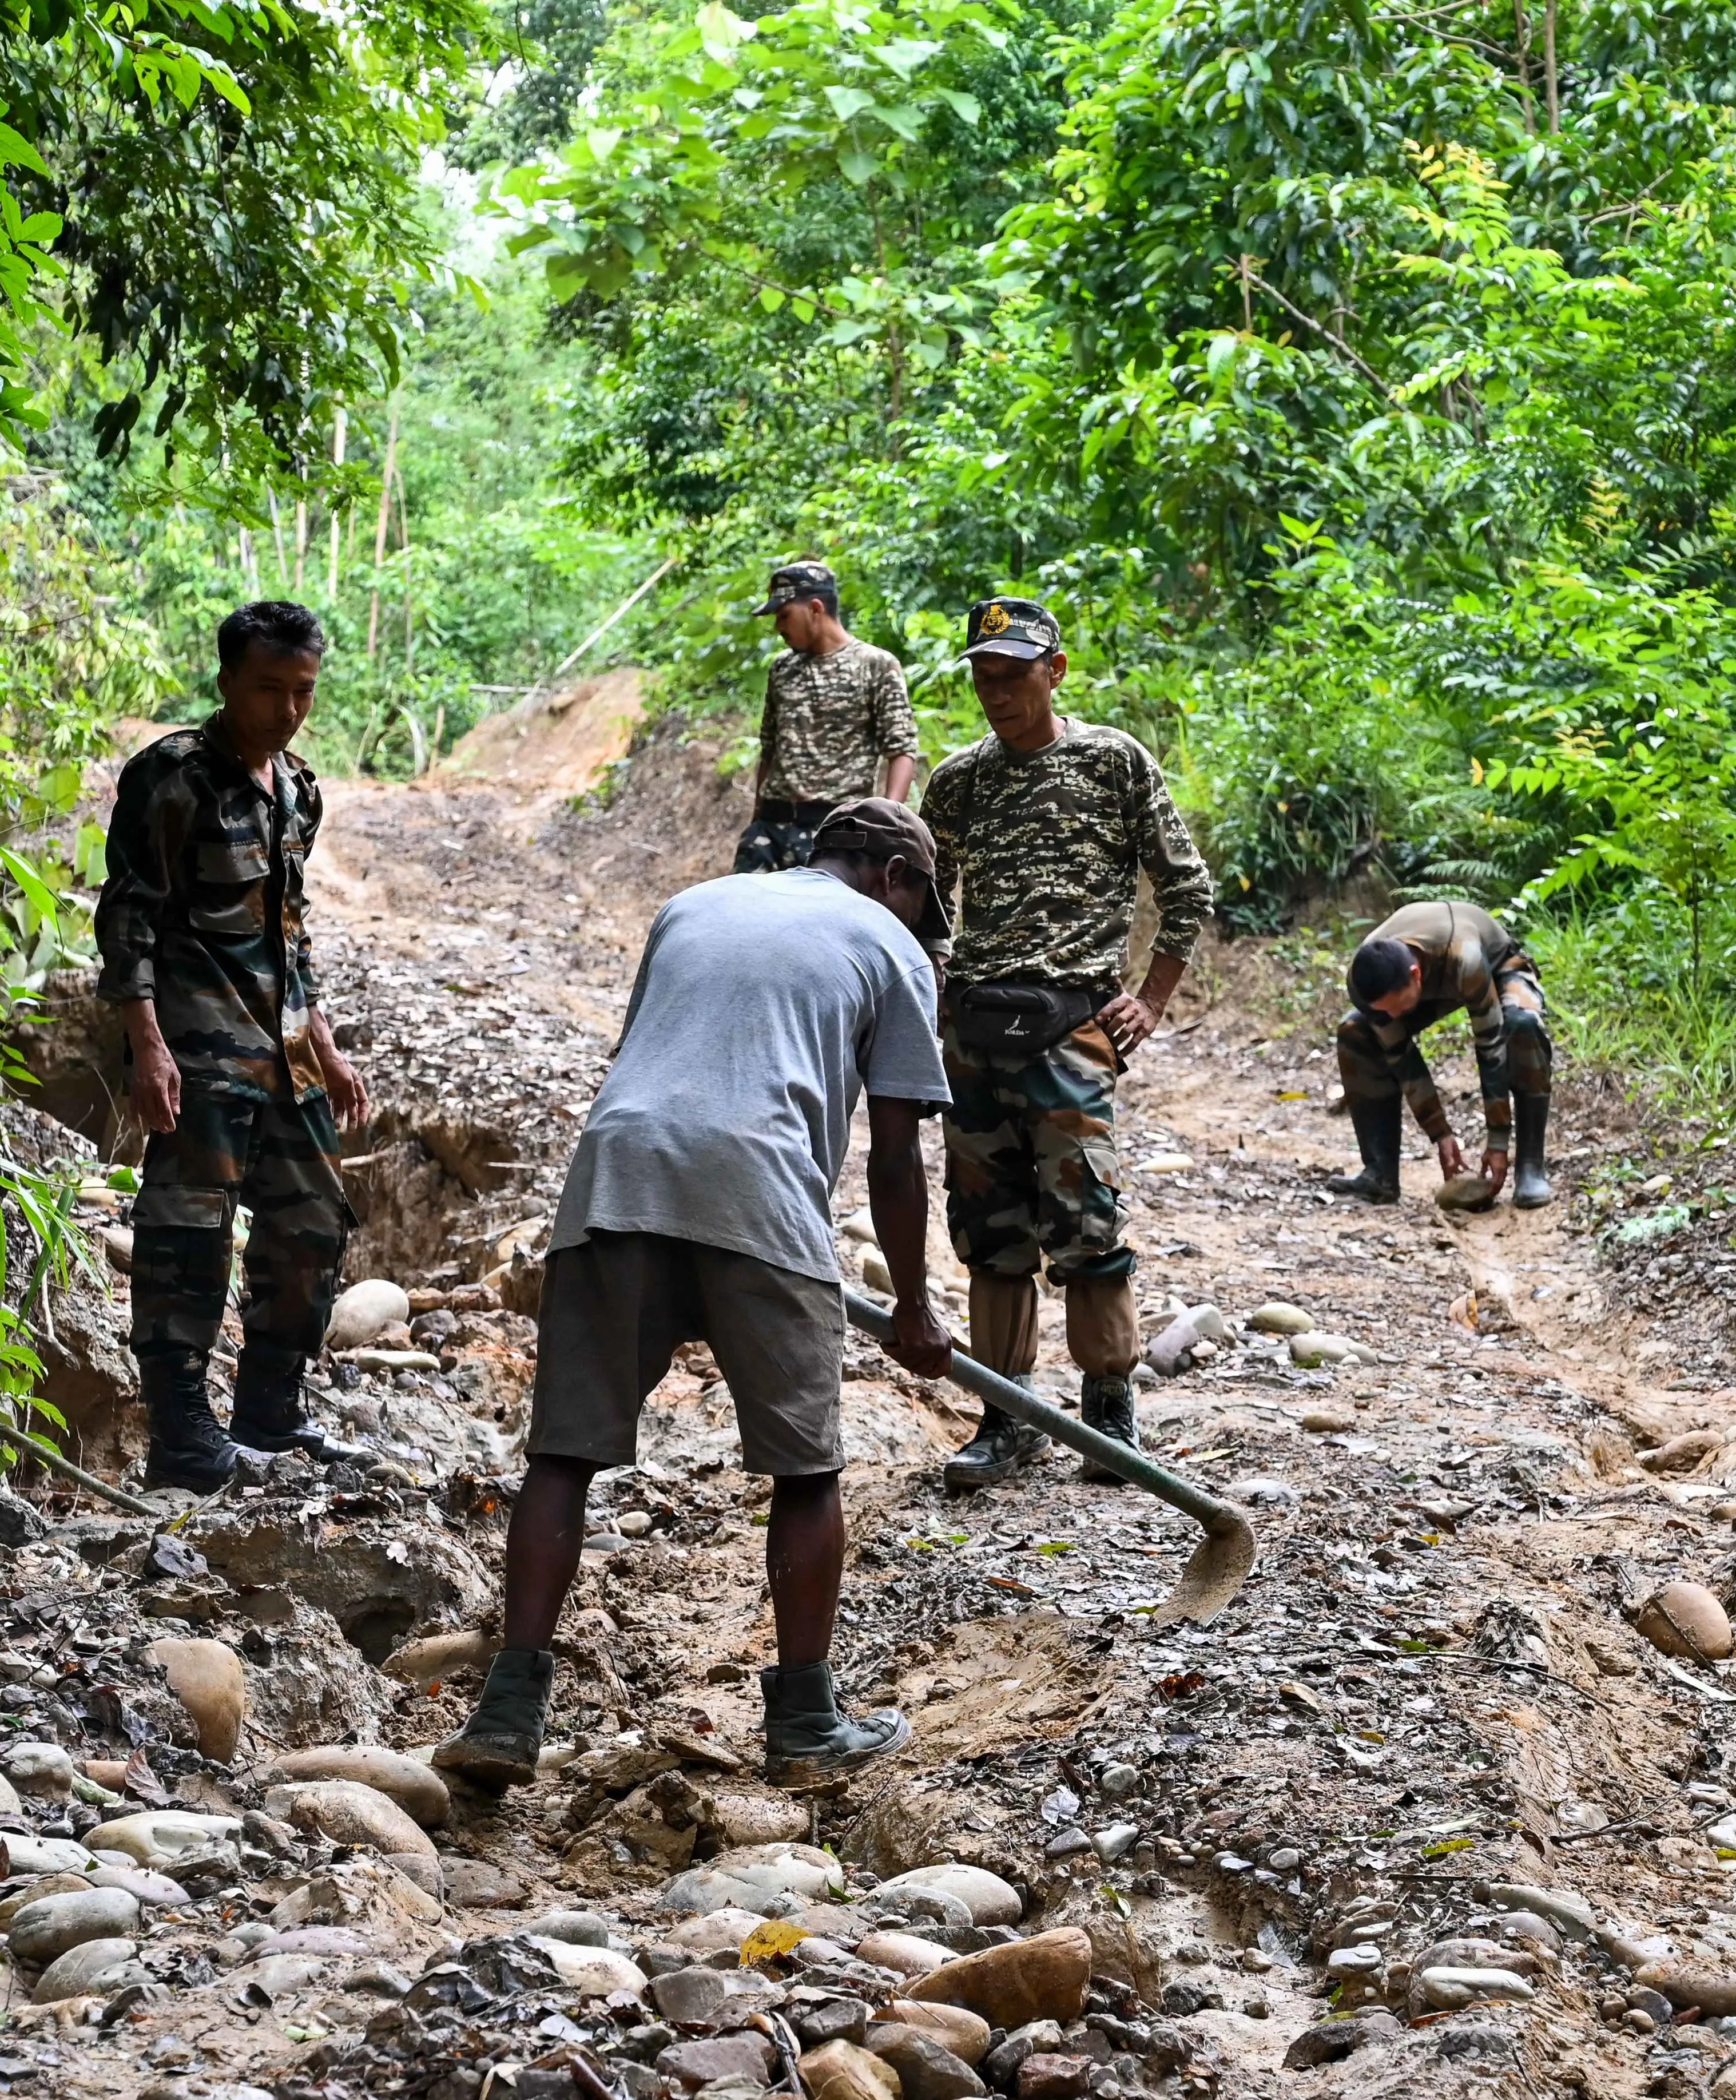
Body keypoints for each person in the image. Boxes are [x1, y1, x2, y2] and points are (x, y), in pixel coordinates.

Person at [438, 799, 958, 1791]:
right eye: (921, 901)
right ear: (896, 876)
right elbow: (895, 1158)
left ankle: (507, 1709)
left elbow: (663, 1062)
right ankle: (805, 1719)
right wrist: (913, 1306)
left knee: (563, 1453)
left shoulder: (692, 903)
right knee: (806, 1470)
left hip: (617, 1171)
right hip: (757, 1184)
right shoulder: (893, 945)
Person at [917, 597, 1215, 1491]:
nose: (995, 693)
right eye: (982, 676)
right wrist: (931, 991)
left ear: (1055, 670)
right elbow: (927, 903)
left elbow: (1186, 888)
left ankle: (1110, 1416)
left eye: (1011, 675)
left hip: (1071, 1024)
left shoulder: (1111, 761)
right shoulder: (959, 780)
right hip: (975, 1031)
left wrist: (1150, 1001)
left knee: (1087, 1225)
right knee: (988, 1234)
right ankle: (1007, 1418)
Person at [94, 601, 376, 1491]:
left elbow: (290, 936)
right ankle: (181, 1439)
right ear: (226, 682)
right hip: (199, 1050)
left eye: (304, 691)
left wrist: (324, 1045)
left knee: (313, 1225)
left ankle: (272, 1414)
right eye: (270, 690)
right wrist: (146, 1046)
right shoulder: (172, 778)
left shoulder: (300, 787)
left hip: (285, 1055)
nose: (289, 710)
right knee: (188, 1239)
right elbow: (128, 920)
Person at [1333, 898, 1556, 1209]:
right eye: (1385, 1011)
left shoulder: (1464, 958)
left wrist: (1498, 1142)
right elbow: (1402, 1057)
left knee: (1522, 1023)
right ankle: (1379, 1174)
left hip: (1496, 965)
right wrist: (1441, 1135)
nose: (1393, 1016)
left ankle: (1531, 1167)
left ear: (1415, 974)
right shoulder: (1363, 984)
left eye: (1397, 1006)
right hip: (1435, 984)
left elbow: (1491, 1048)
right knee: (1356, 1031)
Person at [734, 559, 921, 872]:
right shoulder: (782, 668)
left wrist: (887, 828)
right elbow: (770, 748)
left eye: (784, 616)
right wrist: (757, 819)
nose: (779, 627)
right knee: (743, 917)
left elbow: (901, 750)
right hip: (771, 829)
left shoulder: (875, 665)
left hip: (836, 833)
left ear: (816, 609)